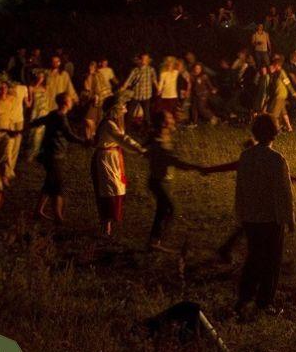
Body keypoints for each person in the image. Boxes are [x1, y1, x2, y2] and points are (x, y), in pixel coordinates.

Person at [203, 115, 296, 317]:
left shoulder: (246, 156)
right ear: (275, 133)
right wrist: (289, 218)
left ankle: (244, 297)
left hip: (251, 218)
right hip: (270, 219)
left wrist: (241, 212)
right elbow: (284, 192)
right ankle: (264, 302)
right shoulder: (277, 160)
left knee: (253, 258)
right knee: (271, 262)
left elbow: (240, 187)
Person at [144, 108, 205, 249]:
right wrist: (197, 167)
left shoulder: (163, 137)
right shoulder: (159, 143)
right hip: (159, 182)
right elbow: (176, 162)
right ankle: (157, 240)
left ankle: (153, 241)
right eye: (169, 118)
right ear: (164, 123)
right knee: (171, 209)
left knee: (162, 210)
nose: (172, 120)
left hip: (163, 181)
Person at [27, 91, 89, 224]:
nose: (72, 102)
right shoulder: (61, 117)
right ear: (66, 103)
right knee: (58, 185)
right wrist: (84, 141)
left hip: (50, 153)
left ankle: (38, 211)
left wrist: (27, 126)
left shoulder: (53, 114)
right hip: (55, 155)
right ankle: (58, 217)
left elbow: (39, 121)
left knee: (50, 183)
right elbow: (68, 135)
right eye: (71, 100)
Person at [91, 101, 147, 236]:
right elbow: (123, 139)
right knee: (109, 191)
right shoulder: (109, 125)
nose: (125, 112)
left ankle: (108, 223)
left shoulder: (114, 123)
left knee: (115, 189)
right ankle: (106, 226)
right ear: (115, 111)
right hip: (106, 160)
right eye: (122, 110)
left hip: (113, 158)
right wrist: (141, 150)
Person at [121, 53, 157, 129]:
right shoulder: (135, 70)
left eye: (146, 59)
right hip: (136, 95)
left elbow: (154, 80)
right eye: (143, 59)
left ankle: (147, 130)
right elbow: (128, 81)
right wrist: (122, 89)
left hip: (146, 95)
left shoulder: (151, 70)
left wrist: (158, 89)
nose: (144, 61)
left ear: (148, 61)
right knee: (130, 113)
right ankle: (126, 129)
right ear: (140, 60)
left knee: (146, 114)